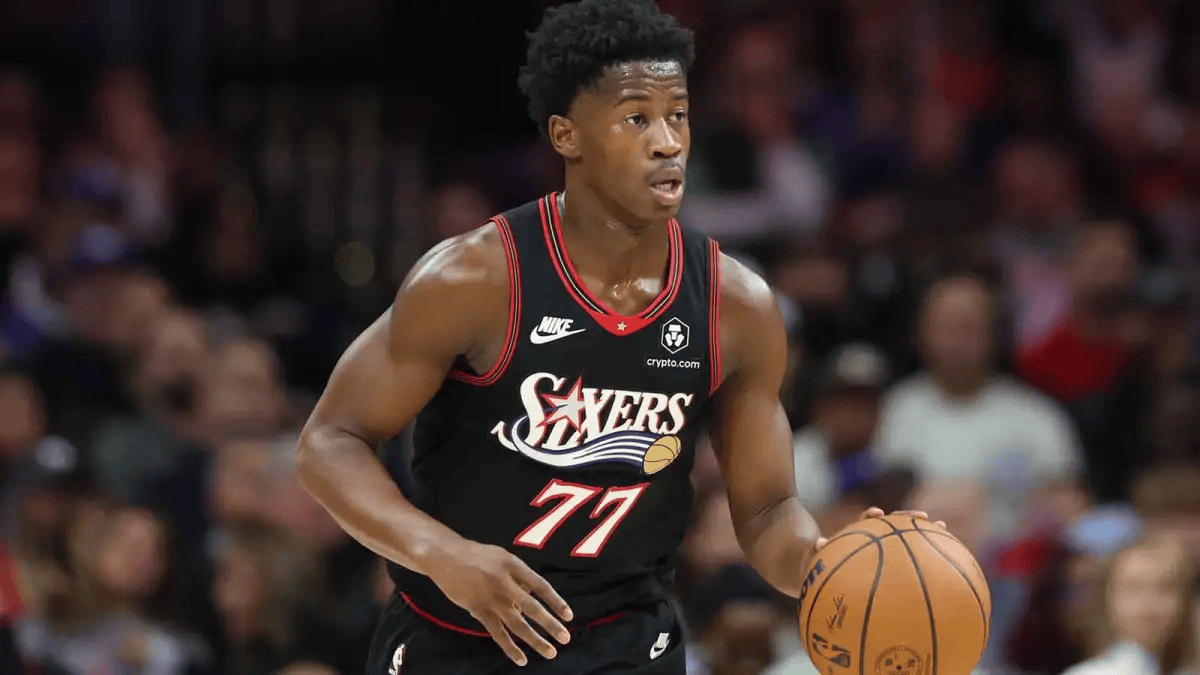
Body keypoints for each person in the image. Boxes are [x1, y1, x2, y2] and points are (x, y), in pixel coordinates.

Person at [295, 1, 924, 673]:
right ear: (567, 136)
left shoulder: (735, 305)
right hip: (459, 636)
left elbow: (768, 509)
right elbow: (328, 444)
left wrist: (826, 565)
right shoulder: (477, 278)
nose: (668, 141)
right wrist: (442, 553)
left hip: (625, 639)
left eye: (678, 115)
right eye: (636, 118)